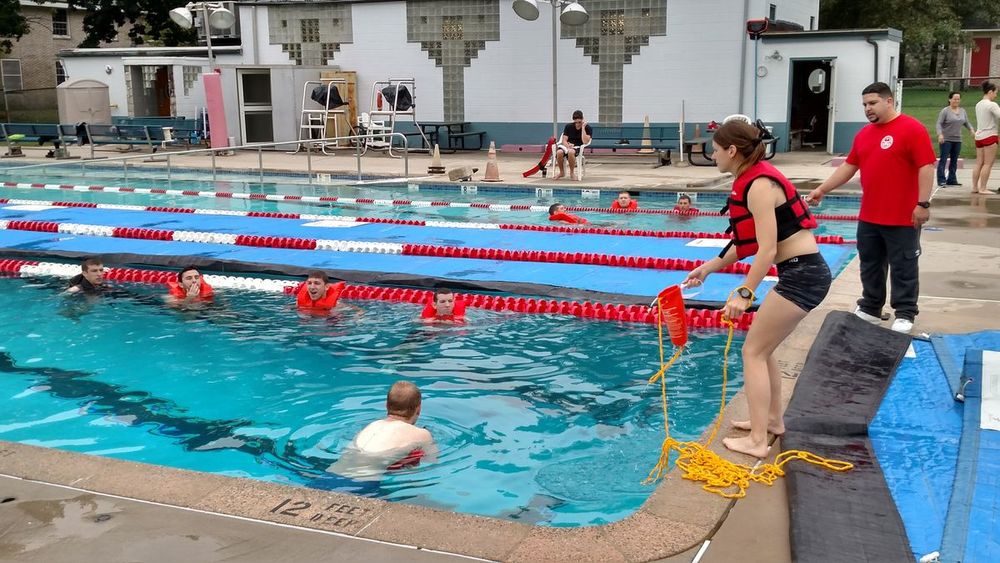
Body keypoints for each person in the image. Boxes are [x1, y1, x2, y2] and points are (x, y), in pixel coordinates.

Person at [683, 119, 828, 459]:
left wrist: (745, 292)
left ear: (732, 151)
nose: (713, 155)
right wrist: (708, 268)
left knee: (752, 352)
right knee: (764, 351)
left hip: (802, 275)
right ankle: (773, 421)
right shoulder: (755, 177)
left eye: (715, 150)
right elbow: (745, 242)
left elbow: (766, 250)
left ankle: (758, 441)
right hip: (803, 272)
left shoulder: (760, 185)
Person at [807, 81, 935, 334]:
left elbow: (926, 166)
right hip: (870, 216)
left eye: (873, 103)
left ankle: (905, 312)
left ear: (889, 101)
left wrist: (922, 204)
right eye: (865, 104)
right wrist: (823, 189)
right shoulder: (864, 134)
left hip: (902, 216)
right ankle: (871, 308)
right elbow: (849, 166)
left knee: (903, 265)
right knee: (870, 263)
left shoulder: (912, 129)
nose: (868, 108)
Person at [328, 381, 437, 479]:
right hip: (363, 481)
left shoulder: (372, 425)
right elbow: (431, 462)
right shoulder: (423, 434)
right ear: (419, 409)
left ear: (386, 405)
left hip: (330, 473)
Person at [935, 91, 975, 188]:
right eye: (954, 99)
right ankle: (941, 180)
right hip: (946, 139)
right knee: (943, 160)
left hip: (957, 139)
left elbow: (966, 122)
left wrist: (971, 129)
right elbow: (939, 123)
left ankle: (952, 179)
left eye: (958, 99)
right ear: (950, 100)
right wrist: (940, 134)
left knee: (954, 160)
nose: (956, 101)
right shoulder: (945, 111)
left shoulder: (962, 111)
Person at [972, 81, 1000, 194]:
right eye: (995, 92)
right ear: (990, 92)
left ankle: (975, 187)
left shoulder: (978, 104)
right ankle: (983, 188)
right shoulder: (992, 105)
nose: (996, 95)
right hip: (990, 136)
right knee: (988, 163)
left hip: (979, 137)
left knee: (979, 163)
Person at [554, 110, 592, 181]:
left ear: (582, 119)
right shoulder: (568, 126)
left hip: (578, 147)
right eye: (576, 122)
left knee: (571, 152)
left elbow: (585, 141)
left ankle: (572, 173)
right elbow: (564, 140)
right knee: (559, 152)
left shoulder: (588, 128)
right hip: (568, 146)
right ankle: (562, 172)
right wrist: (568, 146)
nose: (577, 124)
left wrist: (583, 128)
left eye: (579, 122)